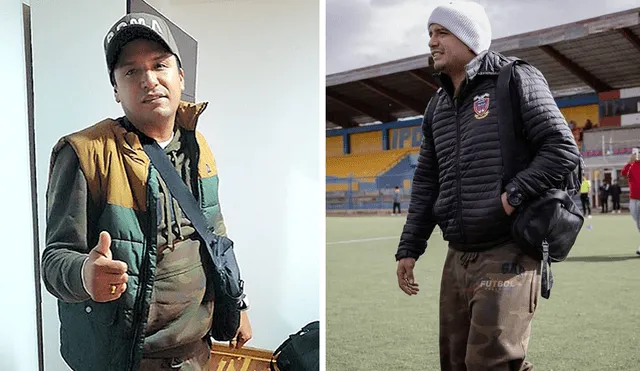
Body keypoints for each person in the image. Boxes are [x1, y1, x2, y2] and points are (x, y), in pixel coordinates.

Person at [42, 12, 252, 371]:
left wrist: (239, 305)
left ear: (180, 76)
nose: (149, 80)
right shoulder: (84, 154)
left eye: (160, 65)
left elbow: (215, 234)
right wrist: (83, 274)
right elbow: (54, 260)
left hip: (195, 354)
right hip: (126, 359)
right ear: (116, 89)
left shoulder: (198, 147)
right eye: (131, 71)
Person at [394, 2, 580, 370]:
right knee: (456, 364)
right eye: (430, 33)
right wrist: (409, 247)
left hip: (508, 249)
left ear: (470, 38)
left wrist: (511, 198)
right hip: (457, 255)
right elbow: (428, 180)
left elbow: (562, 149)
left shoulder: (514, 78)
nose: (432, 41)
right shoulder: (437, 106)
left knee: (491, 364)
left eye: (442, 32)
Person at [621, 152, 640, 255]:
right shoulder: (633, 165)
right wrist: (629, 161)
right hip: (633, 199)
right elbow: (624, 173)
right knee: (636, 219)